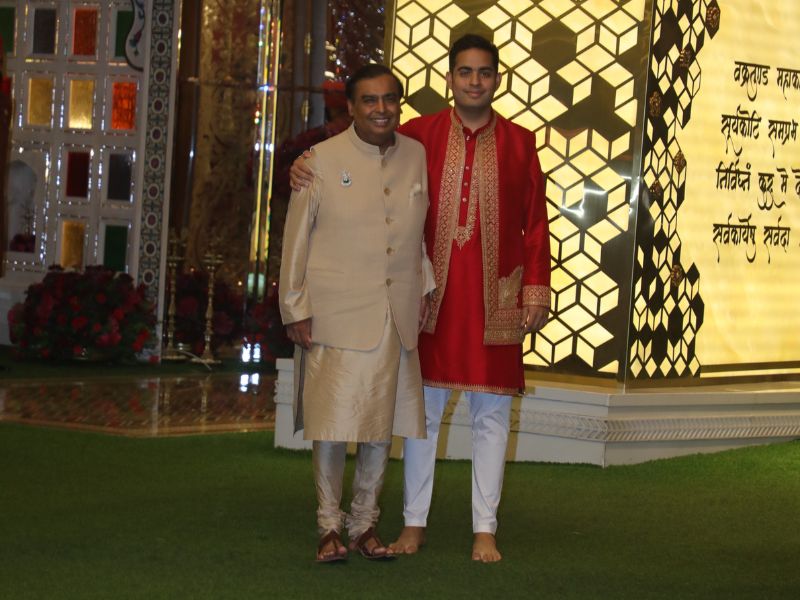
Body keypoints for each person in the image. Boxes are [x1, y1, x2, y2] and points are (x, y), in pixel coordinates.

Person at [290, 34, 551, 563]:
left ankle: (485, 529)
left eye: (484, 72)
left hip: (495, 300)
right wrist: (303, 162)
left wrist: (535, 290)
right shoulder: (419, 135)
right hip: (431, 299)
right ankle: (413, 522)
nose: (474, 81)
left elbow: (536, 223)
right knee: (418, 415)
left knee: (491, 415)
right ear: (449, 79)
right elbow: (363, 151)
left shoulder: (522, 143)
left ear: (497, 79)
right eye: (465, 72)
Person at [279, 63, 434, 563]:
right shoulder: (319, 161)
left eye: (389, 99)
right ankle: (329, 526)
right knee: (332, 423)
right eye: (370, 100)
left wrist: (424, 287)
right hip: (335, 312)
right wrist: (294, 307)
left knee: (378, 425)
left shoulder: (416, 155)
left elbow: (415, 233)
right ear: (351, 107)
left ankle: (365, 524)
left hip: (394, 313)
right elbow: (296, 239)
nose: (381, 109)